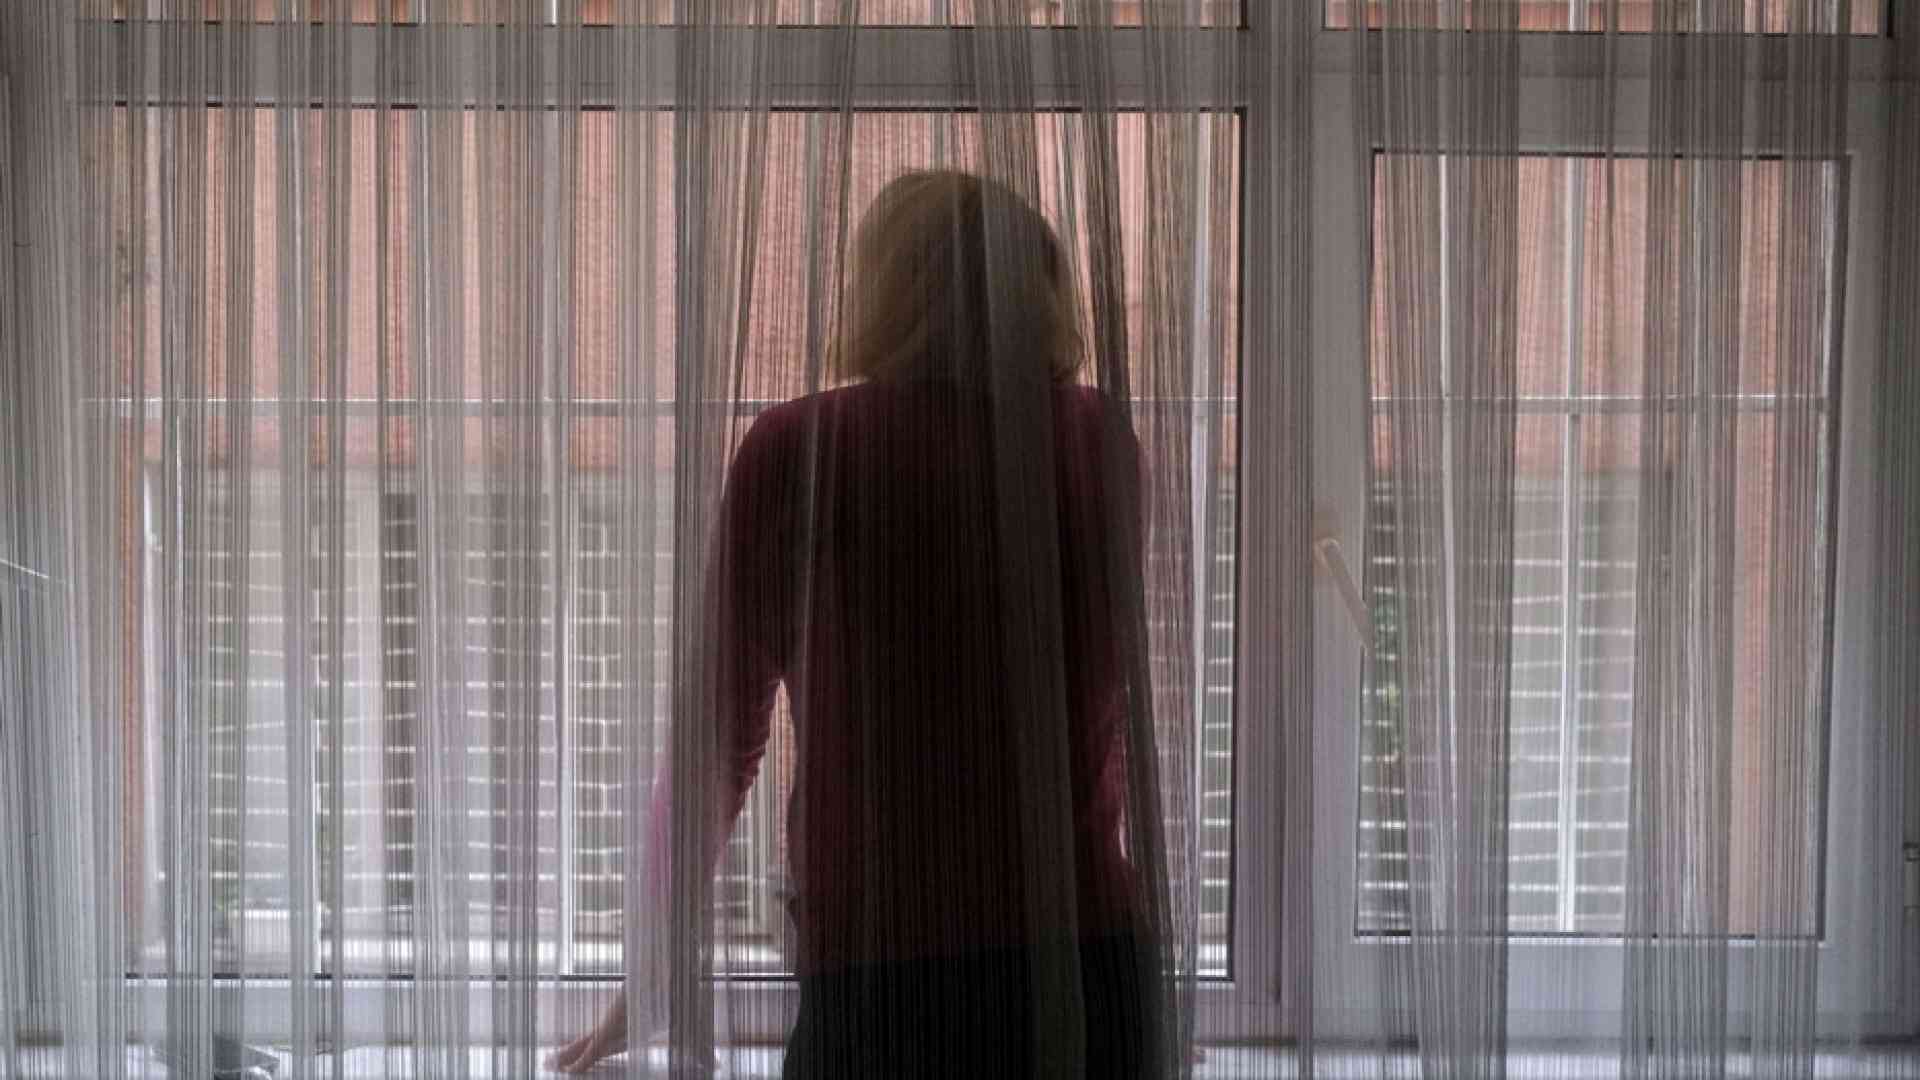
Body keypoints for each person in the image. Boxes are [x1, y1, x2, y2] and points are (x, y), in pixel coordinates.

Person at [547, 169, 1163, 1078]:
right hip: (1092, 974)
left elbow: (718, 734)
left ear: (884, 290)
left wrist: (651, 969)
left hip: (885, 990)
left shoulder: (801, 450)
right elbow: (1101, 712)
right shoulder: (1102, 443)